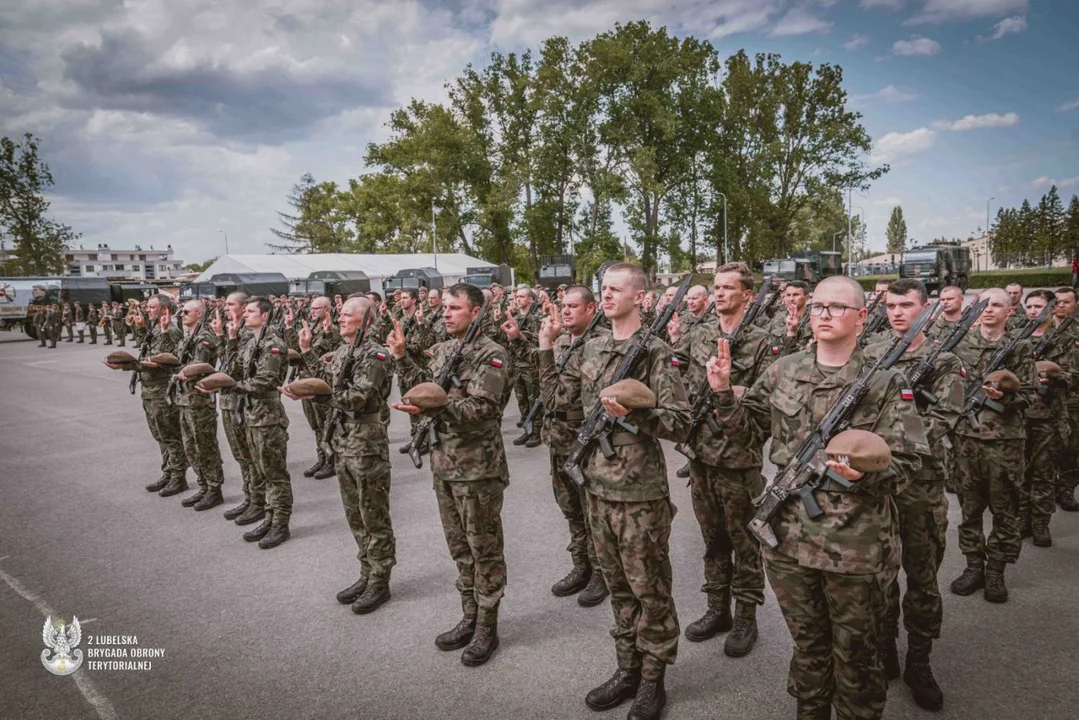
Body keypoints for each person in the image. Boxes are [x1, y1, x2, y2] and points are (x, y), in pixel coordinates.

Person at [707, 275, 928, 720]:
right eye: (818, 306)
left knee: (857, 656)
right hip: (789, 544)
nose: (823, 314)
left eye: (836, 307)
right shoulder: (783, 370)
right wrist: (723, 395)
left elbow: (912, 461)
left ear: (862, 317)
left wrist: (863, 477)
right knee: (808, 648)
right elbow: (746, 436)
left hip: (857, 549)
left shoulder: (885, 381)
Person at [543, 263, 690, 720]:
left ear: (640, 297)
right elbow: (558, 401)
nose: (606, 296)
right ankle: (627, 668)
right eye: (603, 289)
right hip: (597, 491)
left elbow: (681, 421)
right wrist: (546, 348)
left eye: (615, 289)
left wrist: (635, 414)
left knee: (650, 590)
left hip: (639, 493)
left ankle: (652, 680)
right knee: (620, 590)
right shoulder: (590, 347)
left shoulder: (656, 352)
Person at [390, 283, 510, 667]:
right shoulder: (444, 349)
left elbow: (483, 408)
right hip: (445, 465)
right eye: (444, 307)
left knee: (484, 549)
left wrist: (433, 411)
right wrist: (402, 358)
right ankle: (469, 615)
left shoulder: (492, 354)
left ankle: (487, 627)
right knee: (460, 548)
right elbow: (426, 388)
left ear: (475, 312)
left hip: (477, 469)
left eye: (454, 308)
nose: (445, 313)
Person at [865, 278, 963, 711]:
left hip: (921, 485)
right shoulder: (871, 354)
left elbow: (945, 416)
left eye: (906, 305)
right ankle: (885, 647)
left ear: (927, 309)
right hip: (877, 486)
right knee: (878, 575)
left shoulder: (945, 358)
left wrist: (889, 437)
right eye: (891, 305)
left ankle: (919, 660)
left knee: (922, 577)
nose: (897, 312)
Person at [670, 263, 777, 657]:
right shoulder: (699, 334)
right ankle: (718, 609)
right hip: (701, 456)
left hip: (738, 459)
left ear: (747, 295)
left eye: (728, 288)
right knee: (712, 540)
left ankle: (746, 616)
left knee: (745, 541)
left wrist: (729, 388)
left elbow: (766, 404)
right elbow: (672, 372)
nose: (718, 294)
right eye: (715, 287)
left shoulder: (765, 342)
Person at [289, 296, 396, 614]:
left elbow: (357, 398)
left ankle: (380, 580)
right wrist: (307, 353)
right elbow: (325, 383)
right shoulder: (345, 351)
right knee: (355, 515)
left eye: (348, 314)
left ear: (364, 321)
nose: (341, 318)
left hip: (366, 442)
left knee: (374, 515)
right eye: (341, 313)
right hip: (344, 441)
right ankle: (366, 573)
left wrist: (319, 396)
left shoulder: (375, 354)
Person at [949, 287, 1035, 603]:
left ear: (1009, 311)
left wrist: (1006, 398)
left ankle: (996, 569)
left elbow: (1032, 393)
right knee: (969, 509)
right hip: (966, 441)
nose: (989, 310)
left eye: (996, 305)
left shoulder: (1019, 347)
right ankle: (974, 566)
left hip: (1006, 442)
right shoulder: (960, 343)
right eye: (984, 304)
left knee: (1006, 508)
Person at [536, 285, 609, 607]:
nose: (565, 311)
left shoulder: (601, 344)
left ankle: (600, 572)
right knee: (570, 508)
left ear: (591, 309)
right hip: (558, 436)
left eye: (573, 306)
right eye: (563, 306)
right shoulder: (562, 341)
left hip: (585, 438)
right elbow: (548, 391)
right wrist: (545, 345)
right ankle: (581, 564)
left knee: (592, 510)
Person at [213, 296, 293, 549]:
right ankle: (269, 516)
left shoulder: (274, 344)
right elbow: (234, 368)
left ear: (265, 315)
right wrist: (232, 338)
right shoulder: (251, 341)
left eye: (250, 311)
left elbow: (266, 379)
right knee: (260, 470)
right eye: (244, 310)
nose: (245, 315)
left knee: (274, 473)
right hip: (251, 413)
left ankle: (280, 523)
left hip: (267, 415)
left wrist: (232, 387)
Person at [109, 295, 187, 496]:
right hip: (150, 391)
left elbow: (167, 362)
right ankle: (168, 472)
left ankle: (178, 477)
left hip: (161, 390)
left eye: (152, 307)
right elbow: (148, 352)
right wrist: (143, 328)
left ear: (164, 310)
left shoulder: (171, 331)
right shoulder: (155, 328)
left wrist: (128, 365)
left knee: (170, 435)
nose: (147, 310)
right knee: (160, 435)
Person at [1021, 290, 1073, 547]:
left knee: (1043, 472)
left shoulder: (1064, 339)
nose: (1032, 311)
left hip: (1049, 416)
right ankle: (1023, 518)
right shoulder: (1016, 337)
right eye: (1028, 306)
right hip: (1018, 415)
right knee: (1021, 472)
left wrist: (1054, 376)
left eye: (1038, 306)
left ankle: (1040, 521)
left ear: (1051, 308)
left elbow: (1074, 375)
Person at [173, 299, 226, 511]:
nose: (182, 315)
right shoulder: (188, 336)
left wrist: (180, 371)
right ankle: (203, 485)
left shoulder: (204, 337)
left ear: (199, 314)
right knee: (190, 446)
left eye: (186, 312)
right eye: (181, 312)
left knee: (205, 446)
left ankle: (214, 489)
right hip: (185, 399)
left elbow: (196, 367)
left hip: (199, 399)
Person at [214, 293, 262, 525]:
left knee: (249, 455)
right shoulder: (234, 330)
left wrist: (229, 338)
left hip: (240, 401)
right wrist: (223, 337)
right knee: (241, 455)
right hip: (228, 398)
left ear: (244, 307)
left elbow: (235, 371)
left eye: (230, 304)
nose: (225, 308)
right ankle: (249, 496)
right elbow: (221, 361)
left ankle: (258, 501)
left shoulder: (248, 335)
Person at [285, 296, 341, 479]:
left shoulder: (332, 330)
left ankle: (331, 460)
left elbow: (332, 357)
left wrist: (327, 334)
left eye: (317, 308)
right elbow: (295, 350)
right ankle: (322, 458)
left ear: (327, 309)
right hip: (306, 382)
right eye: (312, 308)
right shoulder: (310, 329)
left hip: (321, 383)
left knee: (326, 424)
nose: (312, 311)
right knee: (316, 425)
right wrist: (289, 327)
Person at [1052, 287, 1079, 512]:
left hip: (1073, 399)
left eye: (1066, 302)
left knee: (1071, 446)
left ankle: (1066, 488)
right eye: (1057, 302)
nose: (1060, 306)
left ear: (1075, 304)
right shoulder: (1042, 330)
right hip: (1048, 400)